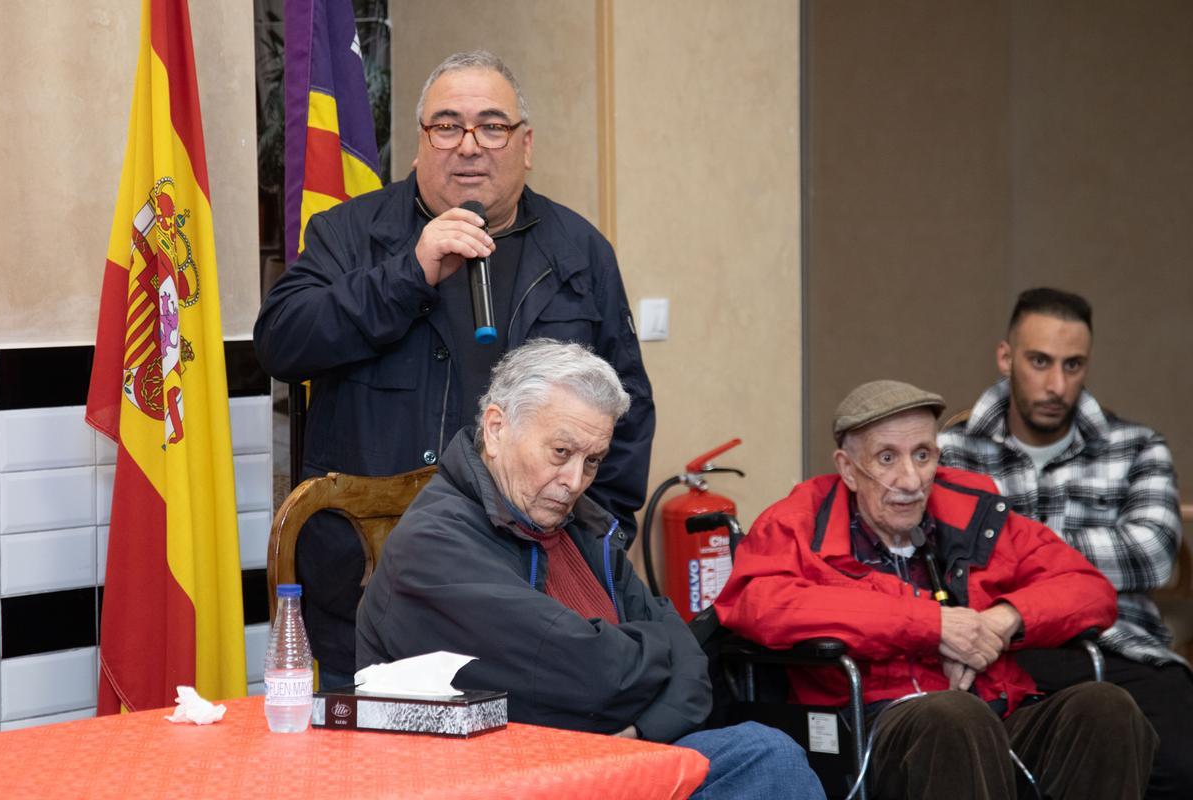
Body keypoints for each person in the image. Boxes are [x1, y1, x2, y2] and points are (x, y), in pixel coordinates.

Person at [253, 51, 654, 688]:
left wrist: (591, 543)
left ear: (525, 145)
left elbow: (625, 414)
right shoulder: (350, 233)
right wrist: (407, 274)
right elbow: (281, 342)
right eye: (447, 125)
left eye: (492, 126)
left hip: (527, 600)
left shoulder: (581, 252)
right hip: (363, 588)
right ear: (419, 145)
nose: (469, 146)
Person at [355, 340, 825, 798]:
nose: (574, 481)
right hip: (499, 776)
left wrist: (642, 729)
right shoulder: (434, 545)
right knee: (765, 756)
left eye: (592, 460)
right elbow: (593, 675)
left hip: (609, 762)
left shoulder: (582, 526)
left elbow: (692, 666)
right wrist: (666, 646)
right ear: (496, 429)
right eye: (561, 453)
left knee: (762, 753)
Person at [715, 379, 1156, 800]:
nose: (910, 480)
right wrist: (931, 624)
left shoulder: (973, 512)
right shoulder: (800, 522)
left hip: (998, 714)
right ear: (847, 469)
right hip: (878, 731)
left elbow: (1089, 589)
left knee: (1106, 708)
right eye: (887, 458)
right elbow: (756, 602)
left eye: (923, 455)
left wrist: (1002, 620)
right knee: (952, 716)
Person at [938, 287, 1190, 799]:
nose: (1057, 384)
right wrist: (1057, 566)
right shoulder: (951, 451)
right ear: (1006, 359)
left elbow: (1154, 552)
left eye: (1073, 365)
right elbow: (942, 562)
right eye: (1040, 362)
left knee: (1180, 767)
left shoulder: (1136, 446)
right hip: (1003, 649)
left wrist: (1014, 549)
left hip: (1122, 647)